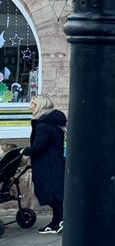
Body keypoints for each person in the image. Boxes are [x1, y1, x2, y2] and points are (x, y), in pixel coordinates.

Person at [22, 95, 67, 234]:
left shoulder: (43, 125)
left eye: (33, 104)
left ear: (39, 106)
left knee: (50, 195)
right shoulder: (54, 123)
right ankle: (56, 222)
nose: (30, 106)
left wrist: (24, 151)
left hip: (47, 165)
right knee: (55, 196)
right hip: (54, 162)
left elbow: (39, 146)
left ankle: (63, 219)